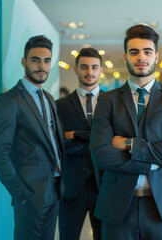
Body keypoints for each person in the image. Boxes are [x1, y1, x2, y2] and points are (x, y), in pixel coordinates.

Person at [89, 24, 162, 240]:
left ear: (156, 57)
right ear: (125, 56)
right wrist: (159, 156)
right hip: (116, 205)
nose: (141, 57)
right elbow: (101, 155)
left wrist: (129, 145)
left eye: (147, 51)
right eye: (134, 52)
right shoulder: (107, 100)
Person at [0, 35, 64, 240]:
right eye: (35, 60)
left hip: (55, 190)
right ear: (24, 62)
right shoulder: (9, 101)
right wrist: (20, 194)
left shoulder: (49, 98)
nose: (42, 66)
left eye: (47, 60)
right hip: (30, 196)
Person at [55, 47, 103, 240]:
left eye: (94, 67)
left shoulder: (113, 102)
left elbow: (112, 141)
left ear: (101, 70)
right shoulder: (59, 106)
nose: (89, 72)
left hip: (105, 185)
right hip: (71, 186)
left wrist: (74, 135)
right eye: (84, 67)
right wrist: (97, 141)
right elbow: (59, 145)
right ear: (75, 69)